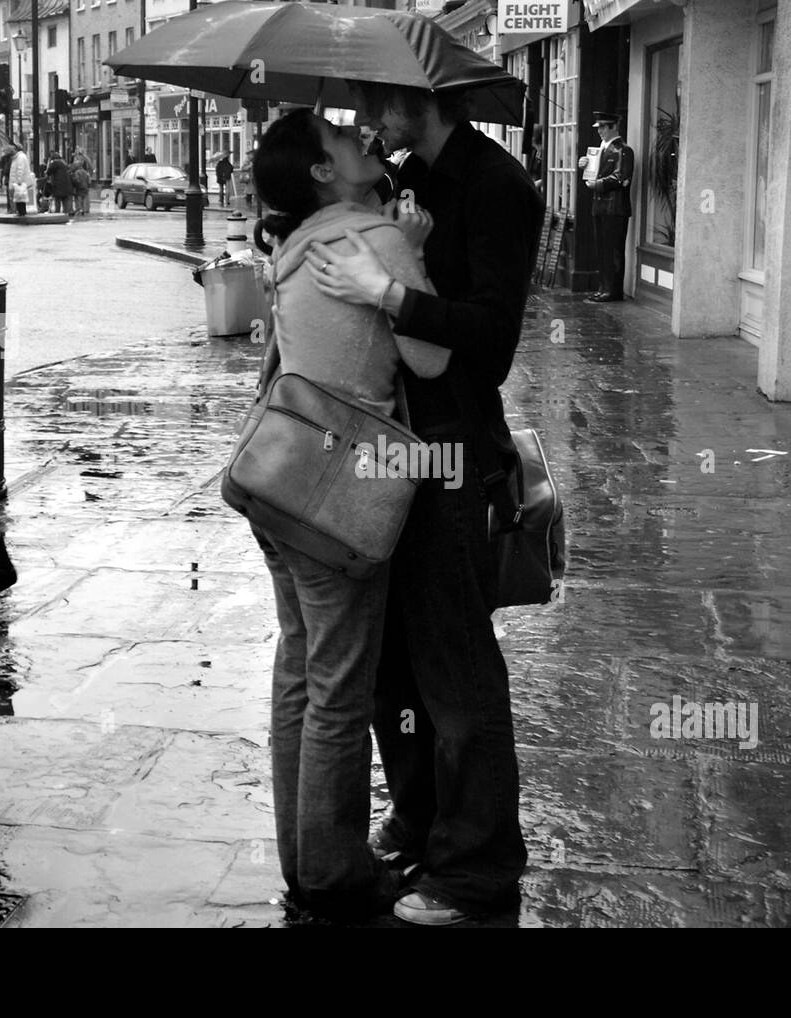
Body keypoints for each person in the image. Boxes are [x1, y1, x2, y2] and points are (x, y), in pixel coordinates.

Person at [307, 83, 544, 925]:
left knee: (456, 672)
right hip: (387, 456)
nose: (369, 116)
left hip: (450, 455)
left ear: (422, 96)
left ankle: (477, 868)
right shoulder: (412, 177)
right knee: (392, 667)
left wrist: (391, 290)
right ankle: (418, 818)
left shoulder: (498, 187)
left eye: (378, 100)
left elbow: (492, 342)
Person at [246, 108, 448, 922]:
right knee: (338, 687)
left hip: (279, 484)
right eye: (340, 139)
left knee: (298, 671)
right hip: (341, 492)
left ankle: (305, 856)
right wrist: (417, 255)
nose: (359, 138)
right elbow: (432, 357)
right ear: (323, 173)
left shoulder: (290, 250)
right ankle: (332, 874)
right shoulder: (376, 240)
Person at [577, 111, 633, 302]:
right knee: (602, 249)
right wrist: (585, 165)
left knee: (613, 249)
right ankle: (604, 286)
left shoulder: (623, 150)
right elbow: (593, 173)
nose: (600, 131)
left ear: (613, 127)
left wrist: (598, 184)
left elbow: (621, 177)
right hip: (600, 206)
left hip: (615, 208)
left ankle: (613, 289)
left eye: (603, 127)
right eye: (599, 127)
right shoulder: (600, 149)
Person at [8, 144, 32, 216]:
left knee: (20, 197)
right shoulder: (18, 157)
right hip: (18, 182)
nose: (11, 151)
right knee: (19, 197)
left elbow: (20, 169)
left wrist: (19, 181)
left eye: (12, 150)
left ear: (16, 149)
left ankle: (21, 212)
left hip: (19, 182)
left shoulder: (20, 157)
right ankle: (20, 211)